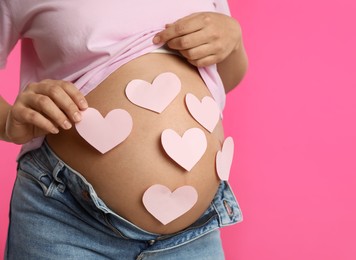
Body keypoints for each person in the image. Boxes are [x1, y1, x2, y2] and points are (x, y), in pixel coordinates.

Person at [0, 0, 248, 259]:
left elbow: (221, 80)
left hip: (195, 233)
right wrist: (8, 122)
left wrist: (235, 42)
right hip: (66, 220)